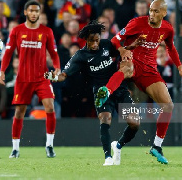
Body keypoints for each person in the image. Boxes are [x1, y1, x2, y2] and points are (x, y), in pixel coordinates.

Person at [95, 0, 182, 164]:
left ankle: (156, 146)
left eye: (156, 11)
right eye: (150, 10)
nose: (152, 14)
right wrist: (122, 49)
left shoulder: (167, 29)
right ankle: (106, 92)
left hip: (149, 70)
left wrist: (180, 69)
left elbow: (171, 48)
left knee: (168, 105)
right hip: (131, 60)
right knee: (125, 68)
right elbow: (114, 40)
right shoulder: (136, 23)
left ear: (163, 13)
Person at [45, 21, 139, 166]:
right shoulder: (81, 56)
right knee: (105, 119)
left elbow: (121, 50)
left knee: (135, 123)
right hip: (101, 93)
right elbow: (64, 75)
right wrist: (54, 77)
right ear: (85, 40)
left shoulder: (107, 45)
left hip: (119, 88)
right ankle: (108, 157)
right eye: (91, 41)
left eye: (97, 40)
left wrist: (131, 47)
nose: (95, 44)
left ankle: (118, 146)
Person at [0, 1, 60, 158]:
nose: (34, 13)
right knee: (19, 112)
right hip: (23, 78)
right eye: (31, 11)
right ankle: (15, 148)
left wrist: (57, 67)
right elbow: (8, 52)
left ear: (39, 13)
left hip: (42, 77)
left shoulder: (47, 31)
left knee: (50, 106)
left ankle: (49, 146)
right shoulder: (17, 31)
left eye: (37, 11)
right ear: (25, 12)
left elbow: (53, 53)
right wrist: (2, 71)